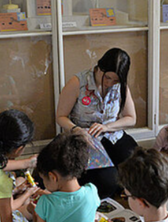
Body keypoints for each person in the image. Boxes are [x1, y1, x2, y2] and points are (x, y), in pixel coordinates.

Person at [29, 133, 121, 222]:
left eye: (44, 179)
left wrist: (35, 214)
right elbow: (70, 203)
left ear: (52, 177)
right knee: (97, 219)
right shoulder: (91, 191)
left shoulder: (44, 203)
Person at [56, 48, 138, 198]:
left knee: (138, 167)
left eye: (115, 80)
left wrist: (107, 126)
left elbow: (131, 118)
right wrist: (76, 129)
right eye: (107, 78)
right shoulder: (78, 82)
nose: (110, 83)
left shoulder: (120, 86)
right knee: (106, 182)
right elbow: (61, 116)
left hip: (112, 134)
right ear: (99, 68)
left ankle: (126, 193)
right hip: (85, 138)